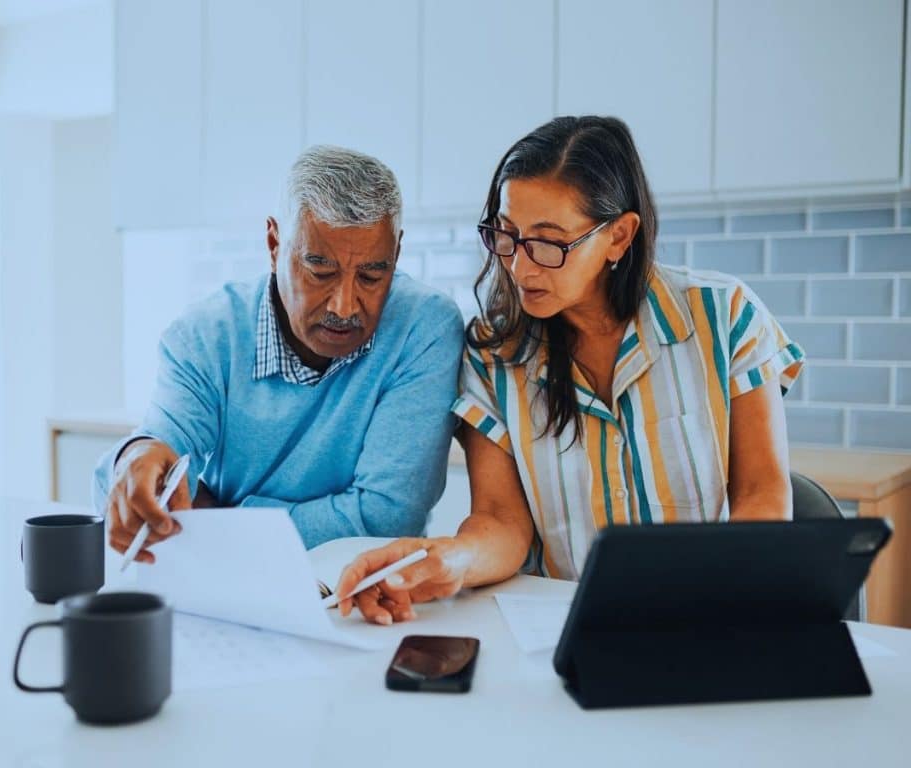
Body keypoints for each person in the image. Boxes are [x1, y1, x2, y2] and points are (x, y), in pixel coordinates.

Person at [335, 116, 805, 625]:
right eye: (507, 235)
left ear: (619, 237)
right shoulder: (492, 354)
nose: (520, 267)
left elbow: (762, 497)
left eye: (548, 243)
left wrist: (727, 598)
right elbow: (501, 521)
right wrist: (449, 560)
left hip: (706, 619)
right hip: (562, 626)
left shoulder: (724, 317)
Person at [94, 145, 464, 562]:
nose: (345, 306)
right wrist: (137, 456)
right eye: (320, 272)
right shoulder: (204, 337)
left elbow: (386, 519)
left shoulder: (424, 327)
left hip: (365, 584)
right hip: (222, 577)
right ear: (274, 244)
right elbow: (158, 458)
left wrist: (221, 517)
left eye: (371, 276)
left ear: (396, 254)